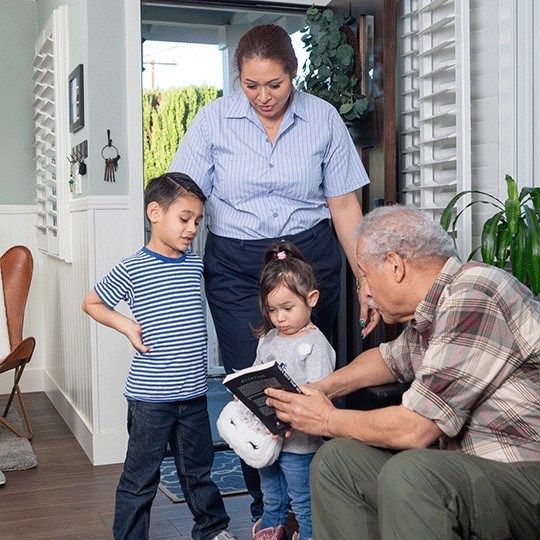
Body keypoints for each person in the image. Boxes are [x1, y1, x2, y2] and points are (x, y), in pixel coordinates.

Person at [169, 23, 375, 519]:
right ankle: (269, 508)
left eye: (275, 85)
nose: (263, 96)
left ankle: (322, 504)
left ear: (294, 74)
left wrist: (366, 277)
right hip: (238, 268)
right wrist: (164, 271)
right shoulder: (213, 121)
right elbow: (183, 200)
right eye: (251, 84)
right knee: (254, 386)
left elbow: (344, 204)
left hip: (310, 261)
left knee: (314, 380)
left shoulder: (323, 119)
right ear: (238, 77)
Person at [265, 204, 540, 539]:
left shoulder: (474, 292)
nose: (364, 291)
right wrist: (322, 389)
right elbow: (388, 359)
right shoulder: (433, 312)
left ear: (395, 266)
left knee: (411, 473)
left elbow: (416, 430)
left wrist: (326, 420)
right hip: (470, 476)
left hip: (524, 477)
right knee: (337, 462)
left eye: (365, 275)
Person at [82, 172, 235, 540]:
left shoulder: (194, 264)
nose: (192, 229)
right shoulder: (133, 267)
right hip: (151, 399)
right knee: (140, 478)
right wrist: (127, 326)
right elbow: (92, 302)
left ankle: (212, 530)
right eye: (184, 219)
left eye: (197, 221)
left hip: (194, 394)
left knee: (199, 472)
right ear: (155, 212)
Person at [250, 241, 336, 540]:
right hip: (268, 441)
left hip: (300, 444)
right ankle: (272, 534)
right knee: (271, 498)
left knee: (302, 501)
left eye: (287, 308)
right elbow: (256, 377)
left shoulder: (315, 344)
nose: (279, 318)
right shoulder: (269, 339)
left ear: (311, 299)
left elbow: (317, 398)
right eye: (272, 310)